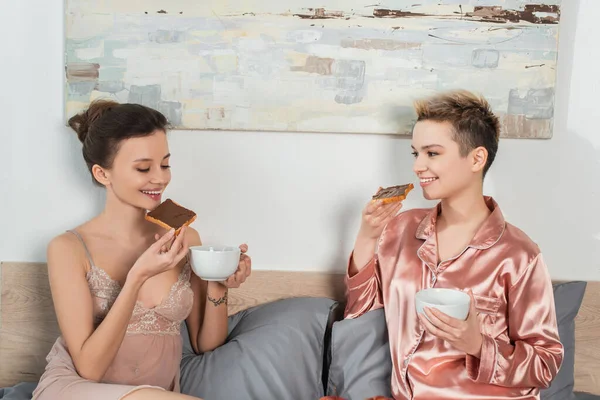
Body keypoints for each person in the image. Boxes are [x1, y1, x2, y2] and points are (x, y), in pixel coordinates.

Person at [344, 90, 563, 400]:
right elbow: (360, 312)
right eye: (415, 153)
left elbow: (545, 364)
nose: (418, 166)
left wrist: (478, 345)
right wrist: (368, 235)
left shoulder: (519, 254)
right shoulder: (400, 229)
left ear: (476, 158)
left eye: (432, 153)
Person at [32, 100, 252, 400]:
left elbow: (206, 345)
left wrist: (218, 283)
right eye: (143, 168)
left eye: (165, 164)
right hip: (77, 390)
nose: (160, 178)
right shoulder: (68, 248)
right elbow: (89, 369)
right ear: (102, 174)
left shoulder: (185, 238)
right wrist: (136, 278)